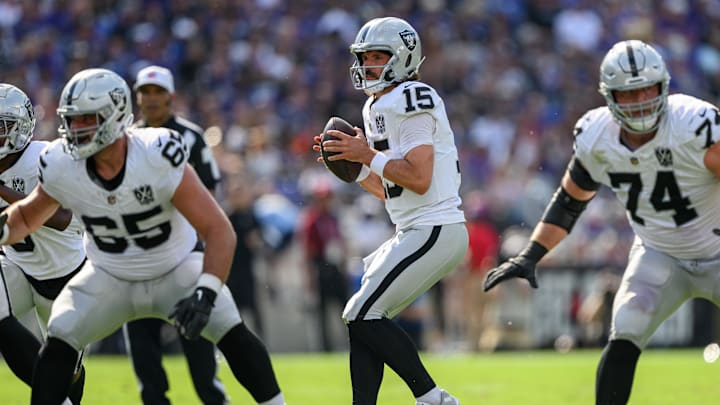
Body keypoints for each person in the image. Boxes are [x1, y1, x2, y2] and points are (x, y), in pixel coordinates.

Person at [0, 68, 286, 405]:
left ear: (116, 115)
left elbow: (219, 229)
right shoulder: (61, 160)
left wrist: (207, 292)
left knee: (228, 325)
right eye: (72, 120)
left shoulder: (156, 152)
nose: (76, 130)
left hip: (172, 267)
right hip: (109, 274)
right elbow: (26, 217)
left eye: (87, 120)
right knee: (60, 337)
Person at [483, 40, 720, 405]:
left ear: (664, 87)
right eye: (629, 93)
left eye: (647, 89)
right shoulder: (596, 136)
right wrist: (530, 254)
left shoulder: (694, 123)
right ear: (610, 97)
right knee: (626, 328)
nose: (640, 99)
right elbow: (570, 200)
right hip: (659, 254)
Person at [314, 17, 468, 405]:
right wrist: (354, 167)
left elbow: (419, 178)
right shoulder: (377, 105)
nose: (368, 65)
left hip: (435, 227)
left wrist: (367, 154)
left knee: (361, 310)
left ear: (403, 57)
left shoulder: (413, 96)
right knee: (363, 317)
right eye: (364, 57)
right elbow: (391, 190)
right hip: (415, 228)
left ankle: (433, 397)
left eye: (378, 56)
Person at [124, 64, 227, 405]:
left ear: (171, 96)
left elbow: (211, 195)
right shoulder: (125, 139)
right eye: (145, 92)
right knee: (143, 348)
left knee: (196, 339)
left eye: (157, 92)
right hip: (138, 253)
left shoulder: (191, 137)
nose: (151, 99)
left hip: (184, 252)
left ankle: (213, 398)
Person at [0, 83, 87, 404]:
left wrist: (3, 191)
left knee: (68, 369)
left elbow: (61, 216)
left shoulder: (46, 155)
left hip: (65, 276)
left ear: (19, 126)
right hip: (17, 267)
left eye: (0, 126)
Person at [297, 180, 349, 352]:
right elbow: (308, 251)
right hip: (321, 267)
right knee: (322, 314)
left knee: (346, 308)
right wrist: (310, 278)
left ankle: (352, 343)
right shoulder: (312, 220)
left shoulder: (333, 218)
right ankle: (326, 348)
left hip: (335, 267)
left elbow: (341, 242)